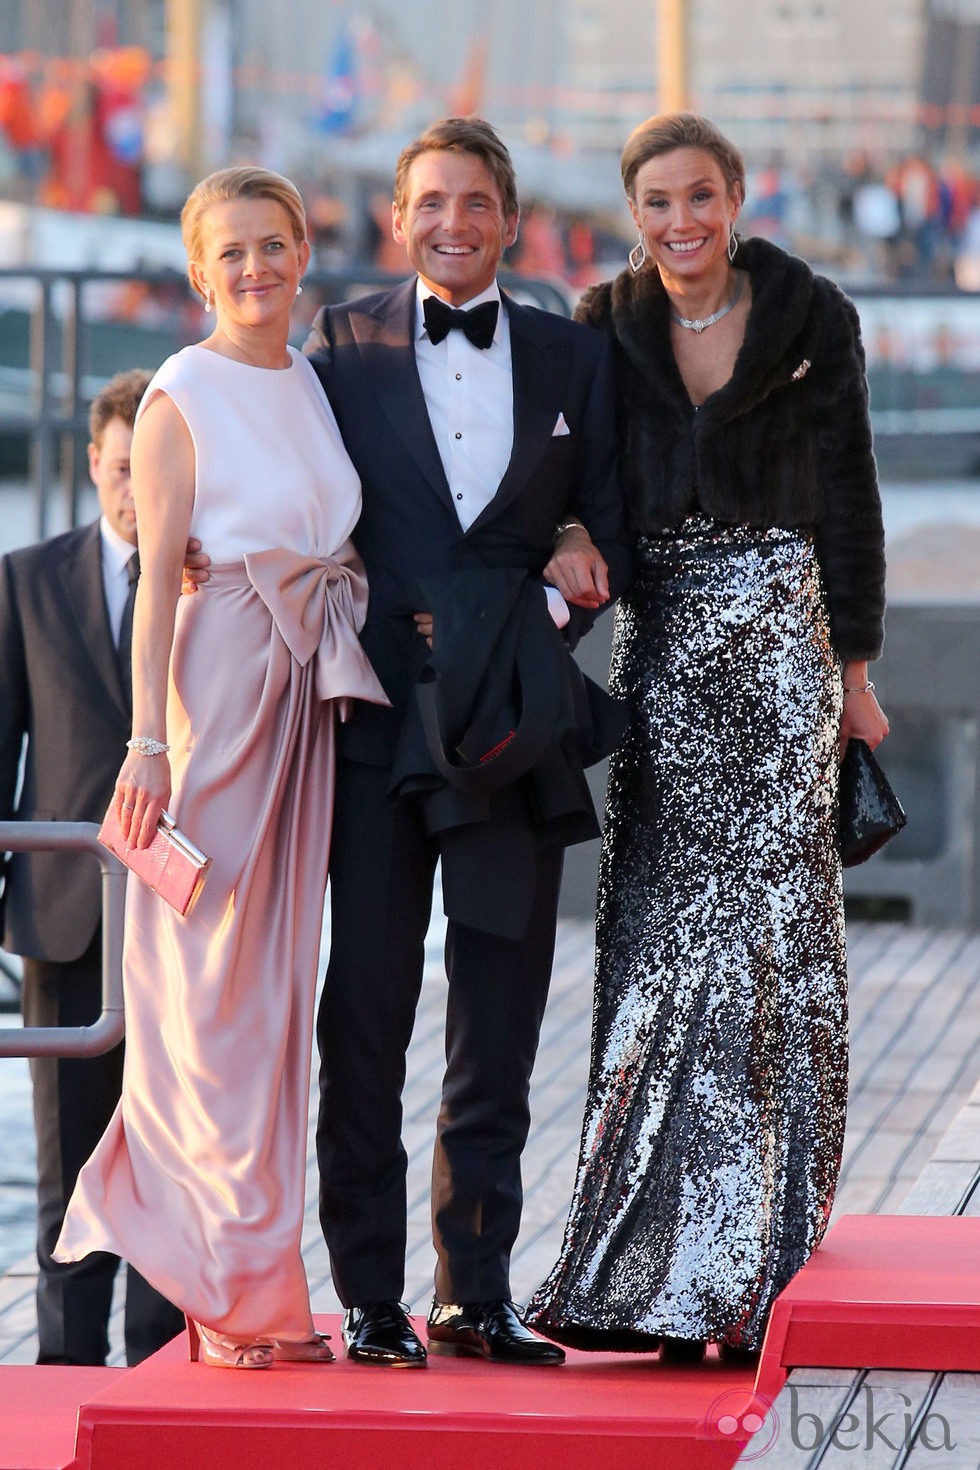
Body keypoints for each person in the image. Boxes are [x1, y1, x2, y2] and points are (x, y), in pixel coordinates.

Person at [526, 112, 889, 1362]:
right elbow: (566, 480)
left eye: (699, 197)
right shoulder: (600, 322)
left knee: (768, 949)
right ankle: (641, 1262)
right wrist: (567, 546)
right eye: (655, 204)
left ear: (735, 197)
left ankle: (754, 1254)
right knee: (661, 943)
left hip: (785, 652)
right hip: (665, 651)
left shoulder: (811, 316)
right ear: (634, 215)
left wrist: (853, 671)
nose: (678, 223)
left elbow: (850, 491)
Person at [304, 117, 632, 1367]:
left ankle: (472, 1292)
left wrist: (550, 590)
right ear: (398, 216)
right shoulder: (338, 346)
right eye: (430, 201)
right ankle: (370, 1300)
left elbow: (606, 527)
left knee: (497, 1012)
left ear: (509, 217)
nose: (453, 222)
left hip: (513, 720)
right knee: (368, 1014)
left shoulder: (570, 354)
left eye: (476, 202)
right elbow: (284, 489)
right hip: (380, 720)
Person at [52, 166, 387, 1369]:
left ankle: (255, 1281)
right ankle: (221, 1290)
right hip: (224, 690)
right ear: (199, 274)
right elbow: (154, 582)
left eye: (274, 244)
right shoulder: (180, 391)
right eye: (230, 252)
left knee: (274, 996)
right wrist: (148, 743)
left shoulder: (306, 377)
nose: (256, 268)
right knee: (209, 1000)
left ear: (304, 253)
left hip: (307, 694)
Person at [0, 371, 185, 1366]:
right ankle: (61, 1380)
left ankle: (159, 1380)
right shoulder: (26, 579)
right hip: (64, 914)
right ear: (93, 465)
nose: (132, 491)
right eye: (120, 471)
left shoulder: (210, 586)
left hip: (180, 914)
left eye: (149, 472)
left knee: (166, 1162)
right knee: (68, 1168)